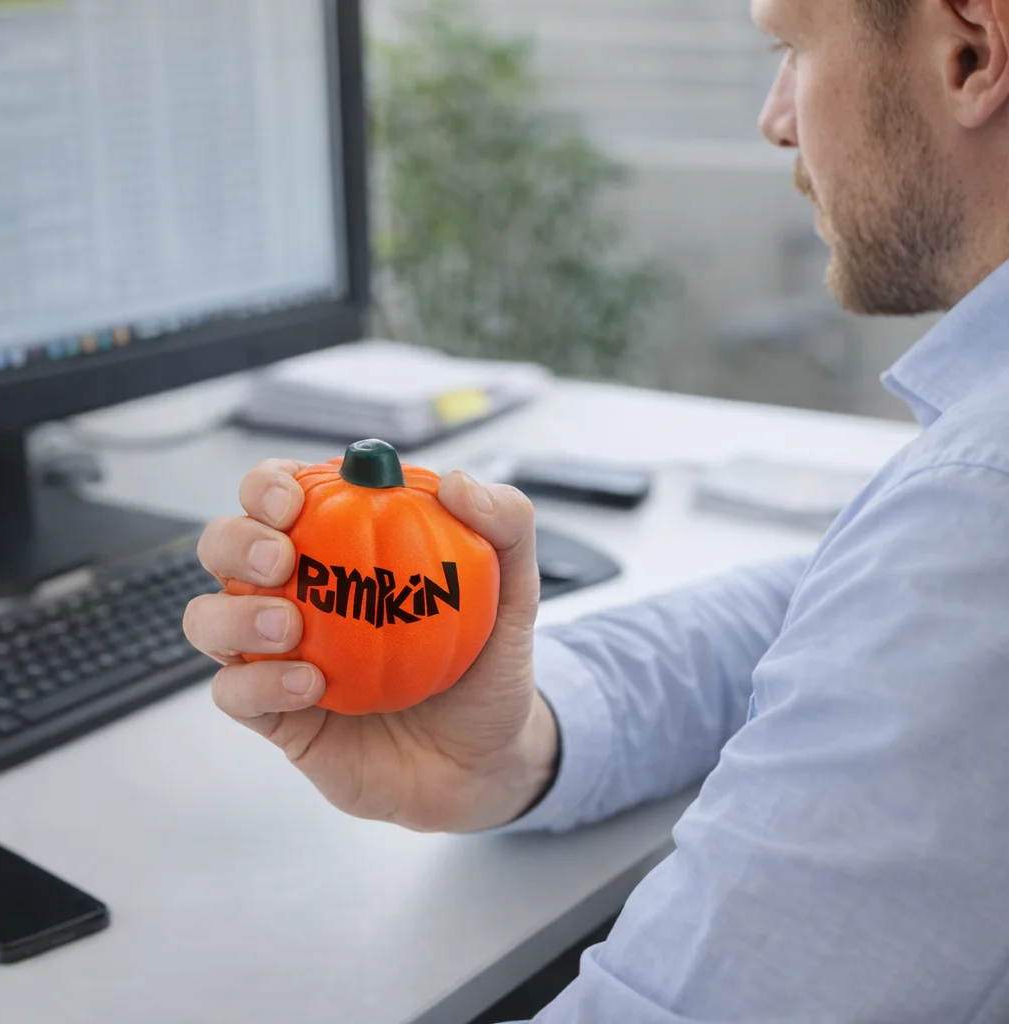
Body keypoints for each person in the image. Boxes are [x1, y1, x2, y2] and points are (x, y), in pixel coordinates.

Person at [182, 0, 1009, 1019]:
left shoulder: (981, 503)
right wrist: (523, 735)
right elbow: (828, 615)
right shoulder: (962, 507)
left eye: (792, 46)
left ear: (971, 50)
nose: (775, 118)